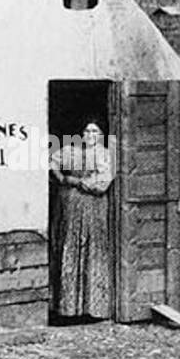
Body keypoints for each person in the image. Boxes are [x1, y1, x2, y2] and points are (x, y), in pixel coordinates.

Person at [49, 120, 113, 319]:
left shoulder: (105, 154)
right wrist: (60, 178)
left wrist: (76, 181)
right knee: (70, 246)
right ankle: (68, 308)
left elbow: (101, 183)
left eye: (94, 130)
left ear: (101, 134)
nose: (90, 134)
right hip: (71, 207)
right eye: (86, 130)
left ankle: (93, 308)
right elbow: (52, 162)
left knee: (92, 249)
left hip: (93, 207)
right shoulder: (71, 150)